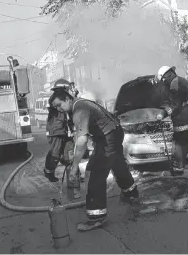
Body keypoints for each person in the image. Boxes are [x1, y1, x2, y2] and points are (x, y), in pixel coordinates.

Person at [50, 89, 138, 232]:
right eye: (56, 108)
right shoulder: (78, 105)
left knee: (95, 173)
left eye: (59, 105)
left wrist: (74, 166)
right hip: (113, 132)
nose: (59, 109)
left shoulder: (79, 110)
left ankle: (96, 217)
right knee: (117, 163)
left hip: (107, 137)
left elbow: (82, 140)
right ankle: (131, 192)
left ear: (67, 99)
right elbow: (78, 134)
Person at [43, 79, 77, 182]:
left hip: (62, 130)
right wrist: (73, 95)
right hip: (56, 131)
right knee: (55, 153)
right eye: (67, 88)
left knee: (69, 150)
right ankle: (48, 172)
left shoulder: (63, 98)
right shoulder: (56, 98)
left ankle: (72, 173)